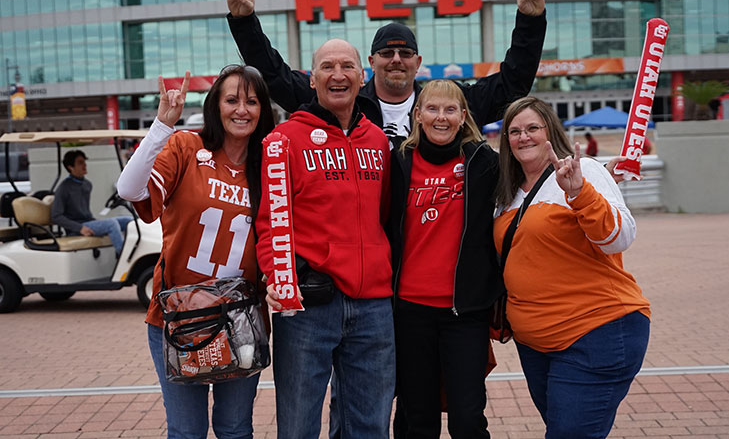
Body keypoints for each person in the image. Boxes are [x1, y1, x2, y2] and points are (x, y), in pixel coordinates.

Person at [219, 0, 548, 148]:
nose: (395, 60)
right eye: (386, 53)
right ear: (371, 63)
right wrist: (245, 23)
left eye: (404, 53)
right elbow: (274, 76)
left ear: (418, 63)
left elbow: (512, 85)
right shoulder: (341, 102)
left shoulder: (444, 104)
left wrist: (530, 21)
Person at [116, 65, 275, 439]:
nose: (242, 110)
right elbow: (129, 189)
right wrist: (161, 126)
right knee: (186, 431)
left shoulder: (269, 164)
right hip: (179, 318)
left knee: (235, 429)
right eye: (232, 99)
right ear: (215, 106)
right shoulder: (187, 146)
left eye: (252, 102)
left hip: (240, 320)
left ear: (263, 110)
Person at [255, 38, 394, 438]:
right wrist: (282, 277)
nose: (338, 75)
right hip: (309, 306)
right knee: (298, 426)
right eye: (327, 67)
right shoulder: (284, 140)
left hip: (373, 307)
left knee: (369, 426)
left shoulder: (378, 141)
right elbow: (268, 222)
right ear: (311, 79)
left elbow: (382, 215)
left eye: (347, 66)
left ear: (362, 76)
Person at [494, 97, 650, 438]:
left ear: (551, 131)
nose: (524, 137)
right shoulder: (506, 194)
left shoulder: (583, 170)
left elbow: (619, 238)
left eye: (533, 128)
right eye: (515, 131)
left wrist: (580, 193)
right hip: (535, 343)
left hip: (596, 332)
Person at [389, 80, 501, 438]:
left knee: (467, 419)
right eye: (432, 109)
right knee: (417, 419)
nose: (441, 117)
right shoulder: (398, 162)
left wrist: (593, 177)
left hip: (464, 313)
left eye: (450, 109)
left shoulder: (484, 163)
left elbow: (534, 183)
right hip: (408, 312)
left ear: (463, 116)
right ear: (417, 115)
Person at [51, 150, 133, 256]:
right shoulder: (64, 188)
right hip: (76, 228)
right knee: (111, 224)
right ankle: (123, 255)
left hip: (89, 222)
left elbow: (85, 212)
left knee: (128, 220)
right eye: (80, 163)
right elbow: (56, 216)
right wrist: (80, 228)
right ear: (70, 167)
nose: (84, 165)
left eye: (84, 162)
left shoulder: (86, 184)